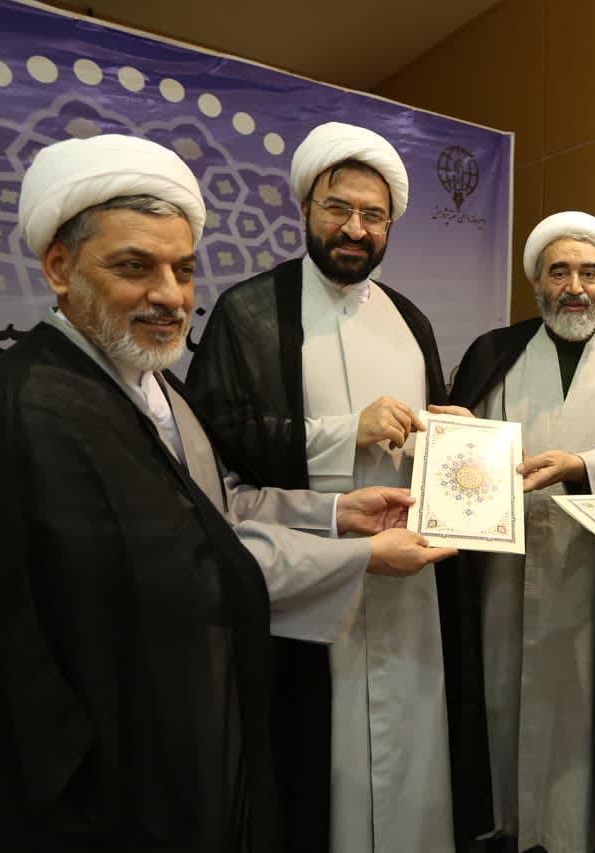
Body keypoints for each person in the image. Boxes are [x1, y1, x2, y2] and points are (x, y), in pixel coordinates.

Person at [0, 134, 452, 852]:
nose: (170, 296)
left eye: (182, 270)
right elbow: (188, 567)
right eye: (134, 266)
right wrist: (361, 555)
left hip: (183, 724)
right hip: (93, 777)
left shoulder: (153, 383)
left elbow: (220, 503)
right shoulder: (31, 408)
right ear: (59, 267)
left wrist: (340, 512)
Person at [186, 122, 490, 853]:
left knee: (416, 743)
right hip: (309, 576)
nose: (355, 228)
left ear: (390, 226)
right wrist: (343, 431)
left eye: (373, 215)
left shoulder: (409, 318)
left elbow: (430, 430)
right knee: (314, 767)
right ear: (305, 209)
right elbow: (216, 440)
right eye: (338, 208)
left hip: (409, 578)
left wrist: (455, 432)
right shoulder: (249, 312)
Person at [447, 211, 595, 853]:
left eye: (589, 272)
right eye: (559, 272)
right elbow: (463, 450)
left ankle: (576, 832)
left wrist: (583, 465)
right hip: (506, 566)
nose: (575, 287)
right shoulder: (492, 352)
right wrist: (449, 434)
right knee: (504, 694)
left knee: (585, 709)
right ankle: (510, 825)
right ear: (537, 282)